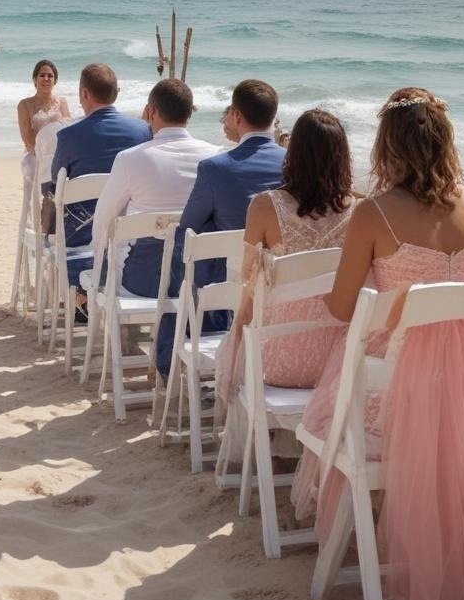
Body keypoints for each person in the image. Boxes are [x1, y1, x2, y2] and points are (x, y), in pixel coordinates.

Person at [291, 89, 464, 600]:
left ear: (387, 147)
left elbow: (343, 310)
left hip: (391, 392)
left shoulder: (374, 212)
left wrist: (386, 298)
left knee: (326, 407)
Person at [214, 108, 355, 403]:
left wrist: (236, 342)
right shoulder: (360, 212)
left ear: (292, 152)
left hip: (276, 362)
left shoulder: (266, 206)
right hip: (339, 363)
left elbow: (249, 285)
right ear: (343, 156)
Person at [159, 79, 287, 351]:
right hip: (284, 283)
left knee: (187, 243)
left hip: (234, 285)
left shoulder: (215, 168)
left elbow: (188, 227)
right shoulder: (295, 163)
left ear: (237, 116)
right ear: (273, 118)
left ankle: (170, 352)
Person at [88, 78, 216, 299]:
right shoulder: (215, 155)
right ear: (190, 113)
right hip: (196, 278)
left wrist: (100, 263)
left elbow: (102, 220)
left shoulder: (131, 158)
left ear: (151, 111)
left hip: (145, 280)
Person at [46, 63, 150, 300]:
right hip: (128, 232)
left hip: (80, 236)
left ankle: (79, 295)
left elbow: (56, 183)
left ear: (83, 94)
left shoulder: (68, 135)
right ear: (117, 93)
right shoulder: (143, 130)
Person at [17, 60, 72, 185]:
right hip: (35, 156)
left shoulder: (62, 102)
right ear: (35, 79)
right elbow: (26, 139)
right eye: (42, 75)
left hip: (58, 154)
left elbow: (69, 131)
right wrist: (46, 157)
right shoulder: (24, 105)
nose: (46, 78)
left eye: (50, 76)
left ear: (55, 80)